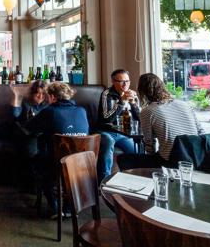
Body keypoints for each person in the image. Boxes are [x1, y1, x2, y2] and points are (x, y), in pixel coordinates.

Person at [23, 82, 89, 218]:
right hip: (81, 163)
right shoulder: (81, 111)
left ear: (52, 97)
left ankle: (55, 207)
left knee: (39, 164)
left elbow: (29, 127)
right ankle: (69, 208)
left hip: (57, 163)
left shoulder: (50, 111)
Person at [118, 73, 204, 169]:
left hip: (172, 161)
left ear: (143, 91)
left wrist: (151, 164)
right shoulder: (185, 104)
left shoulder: (148, 111)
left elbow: (149, 145)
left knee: (122, 159)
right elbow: (201, 132)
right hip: (198, 157)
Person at [96, 69, 140, 180]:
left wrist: (133, 103)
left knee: (136, 150)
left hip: (123, 133)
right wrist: (121, 102)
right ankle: (103, 181)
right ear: (113, 82)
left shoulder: (132, 94)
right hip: (106, 131)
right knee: (108, 142)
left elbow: (139, 118)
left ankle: (133, 179)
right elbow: (106, 118)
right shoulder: (107, 94)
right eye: (121, 81)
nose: (125, 84)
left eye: (127, 81)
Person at [11, 80, 49, 159]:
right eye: (37, 93)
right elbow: (15, 115)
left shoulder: (48, 104)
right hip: (29, 134)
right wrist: (16, 95)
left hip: (44, 134)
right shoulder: (26, 102)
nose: (40, 96)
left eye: (43, 94)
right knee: (32, 152)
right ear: (33, 93)